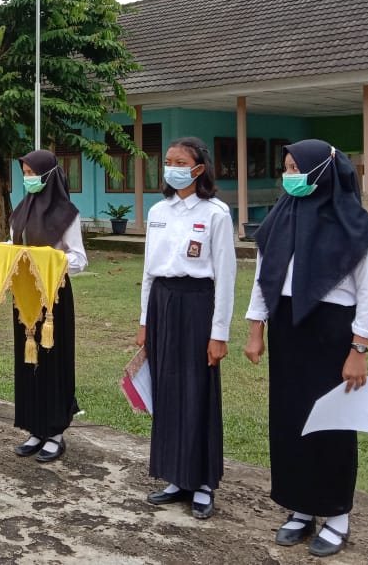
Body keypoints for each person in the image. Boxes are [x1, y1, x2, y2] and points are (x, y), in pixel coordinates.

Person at [244, 139, 368, 558]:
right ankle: (300, 507)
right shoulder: (280, 217)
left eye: (296, 168)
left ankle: (337, 515)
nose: (289, 176)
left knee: (332, 423)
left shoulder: (354, 224)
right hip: (288, 328)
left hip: (332, 331)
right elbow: (264, 276)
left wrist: (359, 348)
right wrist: (256, 328)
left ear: (322, 171)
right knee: (290, 420)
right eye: (286, 168)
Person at [138, 136, 236, 520]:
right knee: (167, 388)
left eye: (180, 162)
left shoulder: (216, 214)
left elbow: (225, 277)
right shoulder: (158, 211)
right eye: (168, 161)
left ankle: (203, 482)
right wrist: (144, 321)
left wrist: (219, 332)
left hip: (197, 304)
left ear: (198, 169)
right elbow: (149, 270)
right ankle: (176, 476)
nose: (172, 168)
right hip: (162, 302)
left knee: (197, 390)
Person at [8, 149, 88, 463]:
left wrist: (45, 260)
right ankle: (35, 428)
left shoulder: (67, 214)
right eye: (25, 173)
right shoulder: (21, 210)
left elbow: (79, 259)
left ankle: (55, 433)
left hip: (53, 299)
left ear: (49, 175)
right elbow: (15, 245)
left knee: (53, 362)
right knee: (29, 362)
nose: (28, 179)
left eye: (32, 173)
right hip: (25, 296)